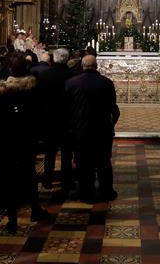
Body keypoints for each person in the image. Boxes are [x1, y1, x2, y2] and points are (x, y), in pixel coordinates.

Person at [0, 54, 50, 232]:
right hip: (27, 137)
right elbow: (40, 112)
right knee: (29, 173)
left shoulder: (0, 89)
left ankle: (12, 218)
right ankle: (35, 209)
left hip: (5, 138)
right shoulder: (33, 87)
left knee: (8, 178)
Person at [65, 54, 120, 203]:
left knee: (83, 162)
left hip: (80, 130)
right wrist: (111, 124)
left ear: (82, 66)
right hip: (102, 129)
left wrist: (72, 125)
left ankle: (85, 193)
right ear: (96, 66)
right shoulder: (106, 83)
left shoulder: (71, 83)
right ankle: (107, 191)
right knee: (103, 162)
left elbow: (66, 108)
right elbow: (113, 108)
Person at [36, 48, 75, 191]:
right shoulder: (73, 75)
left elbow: (39, 98)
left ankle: (47, 179)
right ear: (67, 58)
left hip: (49, 118)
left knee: (50, 151)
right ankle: (66, 180)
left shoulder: (44, 75)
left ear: (53, 59)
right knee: (66, 152)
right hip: (67, 119)